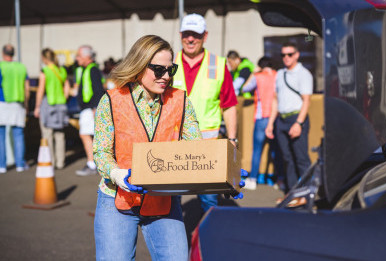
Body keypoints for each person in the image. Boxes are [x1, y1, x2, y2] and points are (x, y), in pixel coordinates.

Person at [93, 35, 202, 260]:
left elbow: (195, 150)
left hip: (163, 199)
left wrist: (222, 174)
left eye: (170, 70)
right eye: (158, 70)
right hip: (117, 198)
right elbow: (101, 151)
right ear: (140, 65)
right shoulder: (112, 100)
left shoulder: (181, 101)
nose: (165, 77)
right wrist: (116, 174)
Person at [173, 13, 238, 213]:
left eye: (196, 35)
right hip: (173, 143)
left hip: (207, 147)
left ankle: (207, 240)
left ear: (205, 36)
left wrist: (233, 139)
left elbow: (229, 105)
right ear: (181, 34)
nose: (191, 39)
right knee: (170, 198)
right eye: (187, 34)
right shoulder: (169, 63)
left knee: (209, 200)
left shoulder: (218, 65)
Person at [266, 42, 312, 193]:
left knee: (301, 159)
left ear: (297, 55)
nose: (286, 58)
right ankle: (292, 194)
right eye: (283, 55)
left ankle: (308, 194)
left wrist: (299, 123)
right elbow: (275, 100)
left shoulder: (303, 74)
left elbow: (306, 100)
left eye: (290, 54)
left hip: (296, 118)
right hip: (282, 120)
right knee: (287, 159)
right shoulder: (280, 74)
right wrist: (271, 124)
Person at [241, 56, 277, 190]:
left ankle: (253, 179)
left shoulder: (258, 76)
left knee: (257, 150)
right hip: (276, 116)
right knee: (275, 151)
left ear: (260, 66)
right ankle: (279, 180)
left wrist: (253, 73)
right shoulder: (277, 75)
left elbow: (244, 89)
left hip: (261, 117)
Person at [34, 48, 70, 169]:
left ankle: (51, 162)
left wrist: (37, 107)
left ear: (44, 58)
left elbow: (41, 90)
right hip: (61, 105)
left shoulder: (45, 71)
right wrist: (63, 99)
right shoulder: (61, 70)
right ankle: (61, 162)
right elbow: (67, 88)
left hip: (49, 105)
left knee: (47, 134)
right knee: (60, 135)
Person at [74, 45, 104, 176]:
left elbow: (98, 90)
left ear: (87, 56)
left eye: (79, 55)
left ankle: (92, 164)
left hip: (90, 108)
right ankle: (94, 163)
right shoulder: (88, 69)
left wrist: (95, 107)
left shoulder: (92, 70)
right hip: (89, 107)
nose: (77, 58)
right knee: (89, 135)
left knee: (86, 134)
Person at [0, 44, 30, 173]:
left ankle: (2, 165)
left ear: (3, 53)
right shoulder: (21, 67)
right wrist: (27, 105)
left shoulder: (1, 66)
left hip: (2, 102)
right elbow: (27, 89)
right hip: (18, 104)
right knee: (18, 135)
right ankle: (19, 164)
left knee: (1, 136)